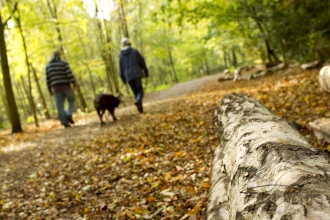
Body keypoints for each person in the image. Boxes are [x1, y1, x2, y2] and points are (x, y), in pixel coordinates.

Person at [46, 50, 77, 128]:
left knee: (59, 106)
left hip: (56, 88)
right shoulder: (63, 63)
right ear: (59, 55)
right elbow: (69, 74)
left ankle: (64, 122)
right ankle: (69, 114)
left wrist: (49, 89)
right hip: (66, 86)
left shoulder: (48, 66)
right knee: (71, 100)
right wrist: (74, 83)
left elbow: (48, 79)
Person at [119, 37, 148, 113]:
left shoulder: (121, 56)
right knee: (140, 91)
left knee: (135, 92)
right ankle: (138, 101)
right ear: (129, 43)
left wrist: (123, 79)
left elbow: (121, 69)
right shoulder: (135, 51)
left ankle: (140, 109)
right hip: (137, 73)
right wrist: (146, 72)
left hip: (128, 76)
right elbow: (142, 62)